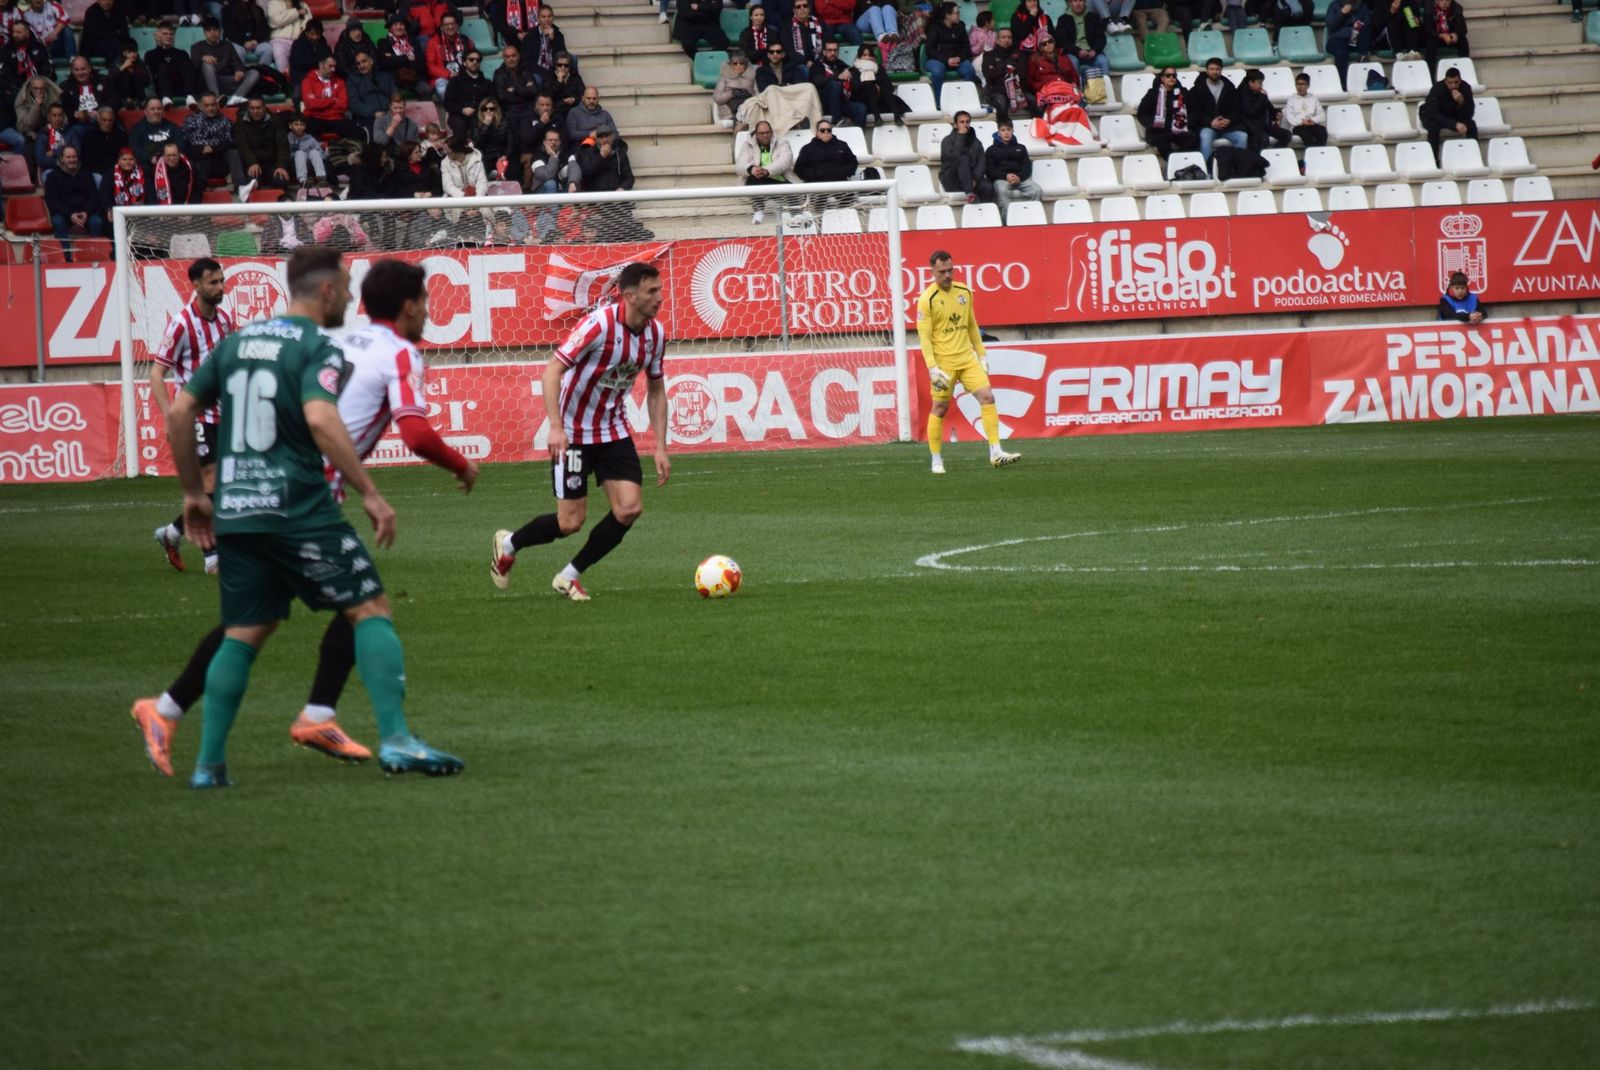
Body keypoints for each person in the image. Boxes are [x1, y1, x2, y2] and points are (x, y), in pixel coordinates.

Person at [142, 247, 466, 788]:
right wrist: (370, 492)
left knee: (246, 629)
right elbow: (320, 419)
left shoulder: (239, 340)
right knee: (370, 606)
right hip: (297, 501)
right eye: (343, 284)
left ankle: (209, 765)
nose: (348, 295)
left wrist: (194, 494)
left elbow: (179, 411)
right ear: (326, 291)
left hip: (237, 506)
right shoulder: (319, 347)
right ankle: (396, 739)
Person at [490, 262, 670, 603]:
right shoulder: (598, 325)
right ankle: (510, 543)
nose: (660, 297)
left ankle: (569, 576)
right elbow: (552, 370)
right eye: (652, 291)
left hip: (613, 431)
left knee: (629, 509)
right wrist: (556, 428)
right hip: (573, 434)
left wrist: (660, 446)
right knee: (570, 522)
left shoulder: (656, 334)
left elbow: (657, 389)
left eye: (659, 290)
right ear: (629, 296)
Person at [150, 258, 233, 575]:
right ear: (195, 285)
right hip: (194, 415)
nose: (220, 287)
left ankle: (171, 533)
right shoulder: (182, 324)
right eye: (213, 282)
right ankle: (213, 558)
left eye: (221, 281)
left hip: (223, 414)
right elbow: (157, 374)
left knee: (219, 490)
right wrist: (170, 417)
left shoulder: (224, 320)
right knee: (209, 481)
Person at [918, 250, 1019, 474]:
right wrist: (933, 369)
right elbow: (924, 338)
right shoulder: (927, 300)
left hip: (967, 359)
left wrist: (981, 355)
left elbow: (972, 325)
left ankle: (995, 452)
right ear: (932, 272)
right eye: (942, 271)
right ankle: (936, 459)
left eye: (950, 270)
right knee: (940, 408)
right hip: (944, 364)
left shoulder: (964, 292)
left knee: (987, 396)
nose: (947, 275)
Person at [181, 92, 248, 190]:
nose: (210, 108)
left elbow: (231, 142)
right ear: (200, 106)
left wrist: (213, 148)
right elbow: (183, 143)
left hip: (219, 161)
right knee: (200, 164)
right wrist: (200, 150)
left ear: (217, 105)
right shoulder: (190, 121)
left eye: (213, 105)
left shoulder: (225, 122)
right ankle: (199, 190)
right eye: (207, 105)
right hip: (200, 161)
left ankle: (241, 187)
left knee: (234, 153)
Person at [1187, 57, 1243, 168]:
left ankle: (1238, 167)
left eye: (1217, 69)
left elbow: (1236, 110)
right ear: (1207, 70)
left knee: (1242, 136)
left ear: (1221, 70)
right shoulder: (1197, 89)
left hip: (1226, 128)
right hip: (1207, 126)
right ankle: (1208, 170)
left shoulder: (1230, 88)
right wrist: (1210, 123)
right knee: (1206, 135)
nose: (1214, 71)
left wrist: (1229, 120)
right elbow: (1195, 113)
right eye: (1211, 69)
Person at [43, 144, 104, 243]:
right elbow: (52, 201)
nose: (72, 160)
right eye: (68, 157)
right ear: (62, 159)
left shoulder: (87, 174)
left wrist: (86, 212)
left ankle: (94, 254)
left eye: (74, 157)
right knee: (58, 222)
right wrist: (70, 214)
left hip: (85, 212)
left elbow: (94, 197)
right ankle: (66, 257)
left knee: (97, 222)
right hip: (63, 213)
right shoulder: (52, 176)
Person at [735, 118, 793, 222]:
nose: (765, 135)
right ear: (756, 134)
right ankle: (758, 211)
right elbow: (739, 166)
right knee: (752, 178)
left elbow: (785, 161)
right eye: (761, 133)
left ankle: (792, 214)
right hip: (758, 180)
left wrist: (766, 171)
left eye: (767, 132)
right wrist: (751, 169)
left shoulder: (782, 143)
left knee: (793, 190)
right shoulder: (747, 145)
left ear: (771, 132)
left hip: (780, 180)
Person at [190, 16, 258, 104]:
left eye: (215, 30)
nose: (213, 33)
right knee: (207, 64)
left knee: (254, 73)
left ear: (220, 31)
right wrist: (202, 58)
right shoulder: (196, 47)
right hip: (206, 83)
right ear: (204, 33)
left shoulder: (227, 45)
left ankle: (236, 98)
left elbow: (237, 62)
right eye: (209, 30)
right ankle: (216, 98)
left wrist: (239, 70)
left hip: (225, 80)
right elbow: (193, 66)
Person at [1136, 67, 1197, 160]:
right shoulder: (1153, 94)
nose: (1171, 78)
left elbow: (1195, 111)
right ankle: (1175, 166)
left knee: (1192, 141)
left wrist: (1186, 123)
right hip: (1158, 130)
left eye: (1174, 75)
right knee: (1163, 144)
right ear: (1162, 78)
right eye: (1168, 75)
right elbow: (1142, 114)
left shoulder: (1183, 93)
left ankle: (1185, 164)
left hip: (1179, 129)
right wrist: (1154, 124)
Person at [300, 53, 364, 142]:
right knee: (306, 130)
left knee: (359, 133)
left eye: (334, 66)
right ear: (321, 65)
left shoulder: (340, 82)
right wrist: (333, 100)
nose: (333, 69)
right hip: (315, 117)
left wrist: (321, 103)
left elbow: (343, 105)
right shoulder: (308, 81)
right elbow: (310, 104)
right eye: (330, 66)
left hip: (336, 118)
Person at [922, 2, 975, 109]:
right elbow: (930, 50)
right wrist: (947, 60)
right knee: (937, 72)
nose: (959, 15)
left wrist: (959, 57)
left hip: (957, 59)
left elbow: (966, 47)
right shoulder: (935, 27)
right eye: (956, 13)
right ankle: (939, 103)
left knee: (969, 70)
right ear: (947, 15)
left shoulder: (961, 26)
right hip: (938, 59)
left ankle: (966, 100)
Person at [986, 117, 1041, 218]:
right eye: (1003, 130)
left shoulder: (1021, 148)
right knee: (1002, 191)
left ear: (1012, 131)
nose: (1006, 133)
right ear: (998, 133)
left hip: (1021, 178)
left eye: (1008, 130)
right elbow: (990, 171)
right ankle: (1007, 222)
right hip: (1002, 179)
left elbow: (1027, 167)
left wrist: (1019, 177)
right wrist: (1006, 176)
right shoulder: (991, 150)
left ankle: (1031, 218)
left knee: (1036, 190)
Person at [1419, 66, 1474, 165]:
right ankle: (1433, 160)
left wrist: (1462, 102)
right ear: (1445, 81)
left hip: (1452, 114)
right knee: (1433, 127)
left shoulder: (1465, 88)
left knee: (1471, 124)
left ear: (1460, 80)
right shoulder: (1437, 89)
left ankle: (1473, 155)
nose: (1453, 86)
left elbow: (1470, 113)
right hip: (1432, 115)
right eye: (1450, 83)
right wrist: (1454, 124)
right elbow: (1433, 113)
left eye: (1456, 82)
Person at [234, 94, 289, 190]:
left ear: (264, 108)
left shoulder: (276, 121)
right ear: (248, 108)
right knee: (252, 183)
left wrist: (281, 165)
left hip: (273, 164)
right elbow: (243, 146)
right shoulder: (240, 123)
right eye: (252, 108)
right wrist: (252, 163)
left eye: (258, 108)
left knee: (281, 181)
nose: (255, 111)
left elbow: (283, 145)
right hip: (253, 164)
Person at [809, 38, 864, 127]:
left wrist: (851, 75)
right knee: (834, 84)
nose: (832, 53)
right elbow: (817, 80)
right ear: (824, 52)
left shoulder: (841, 64)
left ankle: (859, 137)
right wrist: (837, 77)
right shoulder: (817, 64)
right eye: (829, 50)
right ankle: (836, 120)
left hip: (840, 101)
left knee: (861, 109)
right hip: (823, 103)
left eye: (835, 50)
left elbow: (852, 74)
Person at [938, 110, 990, 202]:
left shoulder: (976, 142)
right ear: (955, 125)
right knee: (963, 158)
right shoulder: (947, 140)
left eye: (967, 122)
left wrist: (974, 179)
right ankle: (969, 193)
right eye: (962, 122)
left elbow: (981, 163)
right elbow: (952, 157)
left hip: (972, 179)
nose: (965, 124)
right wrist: (961, 137)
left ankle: (985, 213)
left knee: (987, 187)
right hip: (952, 178)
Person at [60, 54, 122, 130]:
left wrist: (100, 111)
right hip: (78, 125)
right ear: (72, 70)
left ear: (89, 68)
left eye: (83, 69)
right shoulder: (65, 87)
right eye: (77, 70)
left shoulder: (104, 81)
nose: (80, 73)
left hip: (104, 122)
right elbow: (63, 108)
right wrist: (75, 114)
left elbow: (116, 100)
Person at [144, 20, 197, 106]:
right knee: (164, 66)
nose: (169, 36)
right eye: (165, 34)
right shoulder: (150, 54)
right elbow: (152, 72)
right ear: (158, 35)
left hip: (180, 86)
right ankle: (166, 97)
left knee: (187, 64)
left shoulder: (182, 53)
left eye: (171, 34)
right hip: (161, 87)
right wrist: (159, 46)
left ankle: (190, 96)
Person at [982, 27, 1029, 123]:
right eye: (1003, 37)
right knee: (1002, 102)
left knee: (1034, 102)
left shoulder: (1019, 54)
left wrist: (999, 70)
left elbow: (1022, 73)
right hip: (996, 91)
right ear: (997, 39)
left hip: (1017, 90)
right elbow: (989, 75)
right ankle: (1004, 131)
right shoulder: (989, 55)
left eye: (1009, 37)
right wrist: (1006, 68)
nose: (1006, 40)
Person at [1324, 0, 1372, 92]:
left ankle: (1363, 56)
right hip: (1338, 39)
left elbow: (1368, 23)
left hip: (1357, 39)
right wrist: (1342, 13)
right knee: (1340, 51)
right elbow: (1330, 25)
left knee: (1366, 28)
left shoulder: (1362, 6)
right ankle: (1343, 84)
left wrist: (1358, 26)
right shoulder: (1334, 5)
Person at [1235, 68, 1289, 151]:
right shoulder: (1242, 93)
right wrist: (1262, 97)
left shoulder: (1259, 92)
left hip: (1262, 125)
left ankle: (1273, 154)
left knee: (1286, 135)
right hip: (1250, 127)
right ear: (1250, 83)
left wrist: (1276, 113)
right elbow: (1251, 112)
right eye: (1259, 83)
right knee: (1263, 140)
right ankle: (1257, 160)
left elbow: (1269, 107)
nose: (1261, 85)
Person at [442, 47, 491, 137]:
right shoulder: (455, 81)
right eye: (471, 59)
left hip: (479, 115)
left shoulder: (486, 82)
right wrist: (462, 110)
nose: (475, 62)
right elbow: (447, 104)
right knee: (459, 124)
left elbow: (491, 101)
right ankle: (460, 150)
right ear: (464, 62)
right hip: (458, 115)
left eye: (478, 60)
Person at [493, 42, 541, 133]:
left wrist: (514, 89)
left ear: (518, 56)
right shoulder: (499, 74)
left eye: (513, 56)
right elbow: (502, 96)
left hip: (527, 109)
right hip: (509, 111)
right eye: (507, 57)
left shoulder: (525, 71)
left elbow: (535, 91)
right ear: (504, 59)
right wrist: (525, 90)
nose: (511, 59)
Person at [129, 94, 183, 174]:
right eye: (152, 109)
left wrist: (169, 156)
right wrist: (150, 158)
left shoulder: (172, 126)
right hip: (148, 164)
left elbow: (180, 143)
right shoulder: (137, 128)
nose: (156, 112)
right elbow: (135, 148)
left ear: (163, 111)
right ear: (146, 112)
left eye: (159, 109)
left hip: (171, 161)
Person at [1, 21, 52, 101]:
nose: (15, 35)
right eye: (13, 32)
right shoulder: (6, 49)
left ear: (27, 34)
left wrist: (37, 84)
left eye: (18, 32)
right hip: (14, 89)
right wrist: (19, 86)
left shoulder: (40, 47)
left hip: (39, 86)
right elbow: (4, 72)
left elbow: (47, 69)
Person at [793, 117, 856, 182]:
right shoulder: (807, 149)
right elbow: (799, 168)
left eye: (829, 130)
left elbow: (853, 161)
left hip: (840, 184)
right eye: (822, 130)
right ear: (817, 133)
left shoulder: (842, 145)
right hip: (815, 187)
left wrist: (843, 172)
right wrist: (815, 174)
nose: (826, 132)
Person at [376, 13, 425, 94]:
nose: (398, 27)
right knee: (394, 94)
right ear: (390, 28)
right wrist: (406, 57)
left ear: (405, 27)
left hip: (413, 76)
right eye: (395, 25)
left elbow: (420, 62)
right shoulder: (383, 42)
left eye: (401, 24)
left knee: (425, 90)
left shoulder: (413, 41)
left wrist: (394, 58)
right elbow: (385, 63)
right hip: (394, 78)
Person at [424, 9, 467, 99]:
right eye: (446, 25)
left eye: (452, 24)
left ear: (457, 25)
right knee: (444, 89)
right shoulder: (433, 42)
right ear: (442, 27)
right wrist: (449, 74)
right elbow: (430, 67)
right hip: (443, 78)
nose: (450, 27)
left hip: (464, 77)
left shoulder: (466, 40)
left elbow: (473, 58)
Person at [74, 103, 127, 173]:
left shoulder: (121, 135)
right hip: (96, 172)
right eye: (104, 120)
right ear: (98, 119)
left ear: (114, 120)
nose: (107, 123)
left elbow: (124, 157)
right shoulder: (89, 136)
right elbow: (86, 161)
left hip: (116, 171)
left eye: (110, 120)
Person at [221, 0, 273, 68]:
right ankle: (244, 76)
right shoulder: (227, 9)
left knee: (268, 49)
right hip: (237, 41)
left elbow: (264, 29)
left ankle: (261, 73)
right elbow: (230, 31)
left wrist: (255, 40)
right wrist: (244, 41)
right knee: (237, 52)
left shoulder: (258, 9)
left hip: (255, 41)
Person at [1281, 71, 1326, 148]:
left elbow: (1321, 115)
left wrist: (1313, 120)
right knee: (1307, 134)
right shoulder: (1291, 100)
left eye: (1303, 84)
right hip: (1298, 126)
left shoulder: (1313, 99)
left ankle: (1319, 153)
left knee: (1321, 131)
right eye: (1298, 84)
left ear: (1308, 86)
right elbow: (1290, 118)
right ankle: (1312, 154)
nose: (1300, 87)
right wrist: (1302, 122)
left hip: (1312, 124)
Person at [285, 111, 329, 189]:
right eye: (296, 124)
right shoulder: (287, 139)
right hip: (294, 166)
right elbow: (286, 156)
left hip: (311, 166)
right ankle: (303, 181)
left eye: (302, 125)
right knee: (299, 153)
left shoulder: (310, 139)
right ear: (290, 126)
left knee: (314, 152)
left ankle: (322, 179)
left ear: (305, 126)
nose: (299, 127)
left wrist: (310, 155)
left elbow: (322, 155)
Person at [287, 15, 330, 93]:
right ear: (306, 33)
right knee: (297, 95)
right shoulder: (297, 45)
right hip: (301, 77)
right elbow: (298, 64)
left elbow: (326, 63)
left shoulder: (325, 47)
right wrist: (317, 62)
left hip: (320, 76)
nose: (315, 37)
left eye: (317, 34)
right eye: (312, 34)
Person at [82, 0, 131, 68]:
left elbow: (124, 33)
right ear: (98, 1)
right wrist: (115, 33)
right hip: (95, 45)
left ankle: (116, 71)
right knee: (112, 46)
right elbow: (95, 35)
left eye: (110, 0)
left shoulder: (119, 10)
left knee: (117, 46)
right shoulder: (91, 12)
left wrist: (108, 34)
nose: (107, 2)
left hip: (115, 44)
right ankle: (115, 70)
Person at [1422, 0, 1468, 72]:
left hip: (1450, 36)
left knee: (1463, 41)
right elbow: (1428, 30)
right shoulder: (1429, 9)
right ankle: (1431, 75)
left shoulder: (1457, 8)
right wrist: (1441, 36)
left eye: (1447, 0)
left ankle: (1464, 70)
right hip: (1436, 37)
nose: (1444, 3)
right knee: (1430, 44)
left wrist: (1455, 34)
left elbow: (1463, 29)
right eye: (1441, 0)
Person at [525, 4, 568, 79]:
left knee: (572, 60)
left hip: (554, 70)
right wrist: (542, 72)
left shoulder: (558, 36)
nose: (547, 19)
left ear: (553, 18)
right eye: (543, 17)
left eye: (549, 16)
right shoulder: (530, 36)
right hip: (537, 71)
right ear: (538, 19)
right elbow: (526, 61)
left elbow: (562, 57)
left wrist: (552, 40)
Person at [713, 51, 755, 127]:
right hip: (728, 112)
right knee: (740, 122)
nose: (738, 65)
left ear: (745, 65)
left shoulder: (752, 77)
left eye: (741, 63)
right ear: (730, 65)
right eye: (735, 63)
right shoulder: (724, 78)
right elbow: (717, 99)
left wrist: (748, 95)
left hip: (749, 110)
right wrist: (732, 93)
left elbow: (758, 95)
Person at [151, 138, 200, 203]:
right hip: (162, 209)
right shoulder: (155, 171)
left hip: (185, 207)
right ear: (163, 156)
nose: (171, 158)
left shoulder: (189, 168)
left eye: (174, 155)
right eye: (168, 155)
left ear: (179, 155)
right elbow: (152, 196)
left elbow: (196, 192)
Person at [782, 0, 825, 72]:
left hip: (818, 60)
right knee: (804, 69)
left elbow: (826, 43)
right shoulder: (787, 26)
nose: (802, 8)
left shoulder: (819, 23)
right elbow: (789, 50)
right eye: (798, 7)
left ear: (809, 8)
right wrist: (806, 61)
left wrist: (818, 60)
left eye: (805, 6)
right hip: (799, 63)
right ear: (794, 10)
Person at [33, 98, 67, 174]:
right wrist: (59, 162)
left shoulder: (69, 132)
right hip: (50, 170)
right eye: (54, 115)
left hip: (69, 169)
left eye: (60, 115)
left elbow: (75, 153)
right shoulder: (42, 135)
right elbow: (40, 160)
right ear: (48, 117)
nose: (57, 118)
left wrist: (54, 153)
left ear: (63, 117)